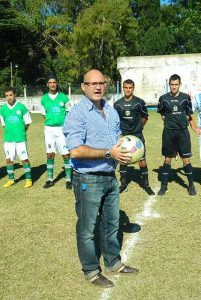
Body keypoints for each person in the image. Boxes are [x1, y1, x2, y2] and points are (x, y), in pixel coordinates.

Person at [63, 69, 138, 288]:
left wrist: (126, 150)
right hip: (88, 179)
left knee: (112, 224)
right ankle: (91, 271)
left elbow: (116, 139)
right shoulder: (77, 113)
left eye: (101, 83)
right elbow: (75, 150)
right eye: (92, 83)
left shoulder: (112, 111)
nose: (97, 87)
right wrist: (108, 153)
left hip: (110, 177)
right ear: (83, 86)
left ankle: (113, 263)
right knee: (87, 229)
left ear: (105, 85)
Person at [113, 79, 155, 195]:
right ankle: (123, 184)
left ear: (133, 88)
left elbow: (145, 116)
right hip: (124, 136)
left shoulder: (139, 102)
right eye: (126, 87)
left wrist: (139, 127)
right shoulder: (117, 104)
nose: (128, 90)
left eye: (130, 88)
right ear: (123, 88)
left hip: (137, 135)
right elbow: (115, 121)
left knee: (142, 161)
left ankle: (146, 185)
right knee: (123, 160)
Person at [157, 74, 196, 196]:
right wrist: (170, 123)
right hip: (169, 132)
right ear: (169, 85)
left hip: (182, 132)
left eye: (176, 84)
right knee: (167, 159)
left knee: (186, 159)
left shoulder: (186, 98)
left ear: (180, 84)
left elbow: (189, 114)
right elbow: (162, 113)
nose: (174, 87)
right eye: (172, 84)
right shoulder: (163, 98)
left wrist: (183, 123)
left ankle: (191, 185)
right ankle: (164, 186)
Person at [41, 75, 72, 189]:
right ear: (47, 84)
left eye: (54, 82)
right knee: (50, 154)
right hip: (49, 129)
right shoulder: (44, 99)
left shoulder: (64, 98)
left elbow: (69, 112)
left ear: (56, 83)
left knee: (65, 154)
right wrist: (52, 122)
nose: (53, 84)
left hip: (61, 129)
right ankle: (50, 179)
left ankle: (69, 179)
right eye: (50, 82)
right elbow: (44, 114)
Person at [0, 87, 32, 188]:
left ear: (15, 95)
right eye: (7, 96)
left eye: (11, 95)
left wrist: (21, 132)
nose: (9, 97)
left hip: (20, 139)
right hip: (8, 139)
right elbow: (4, 125)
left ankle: (28, 179)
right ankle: (11, 179)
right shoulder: (2, 109)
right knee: (9, 160)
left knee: (24, 159)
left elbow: (27, 123)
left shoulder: (21, 107)